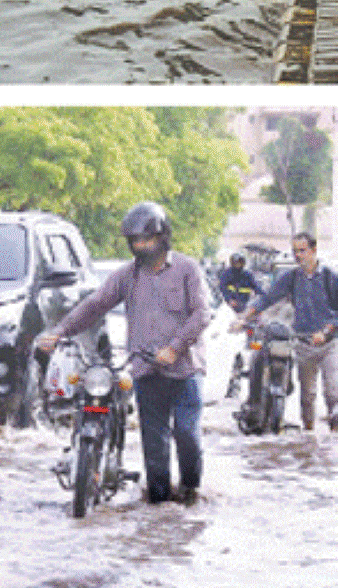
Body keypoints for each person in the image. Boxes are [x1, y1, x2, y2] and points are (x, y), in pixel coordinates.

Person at [39, 201, 210, 505]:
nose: (141, 246)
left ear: (162, 237)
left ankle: (190, 493)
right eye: (135, 242)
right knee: (154, 447)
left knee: (187, 436)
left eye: (147, 240)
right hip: (146, 370)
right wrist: (60, 331)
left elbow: (201, 314)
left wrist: (175, 348)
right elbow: (95, 304)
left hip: (185, 369)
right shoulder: (126, 276)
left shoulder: (187, 269)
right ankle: (158, 507)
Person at [230, 233, 338, 430]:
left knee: (333, 393)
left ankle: (334, 444)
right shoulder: (292, 277)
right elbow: (267, 298)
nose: (298, 255)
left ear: (314, 250)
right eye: (295, 251)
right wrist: (244, 317)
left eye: (302, 250)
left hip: (329, 344)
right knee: (307, 398)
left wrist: (326, 331)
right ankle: (310, 441)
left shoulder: (331, 277)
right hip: (303, 344)